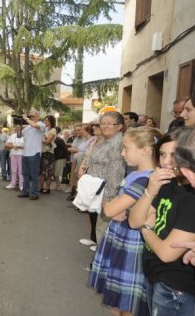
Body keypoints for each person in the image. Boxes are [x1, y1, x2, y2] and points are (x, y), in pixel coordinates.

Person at [88, 126, 161, 316]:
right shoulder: (138, 175)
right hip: (123, 236)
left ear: (145, 150)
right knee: (120, 297)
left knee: (127, 298)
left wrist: (111, 205)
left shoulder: (145, 179)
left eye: (126, 148)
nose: (122, 153)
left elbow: (111, 208)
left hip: (132, 241)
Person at [129, 128, 195, 315]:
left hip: (177, 287)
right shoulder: (167, 185)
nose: (166, 162)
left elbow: (167, 253)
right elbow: (134, 221)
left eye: (173, 155)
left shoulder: (191, 197)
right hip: (156, 276)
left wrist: (147, 229)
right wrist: (151, 189)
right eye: (162, 155)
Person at [79, 112, 126, 249]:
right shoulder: (106, 141)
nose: (104, 126)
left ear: (119, 126)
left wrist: (108, 199)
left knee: (104, 231)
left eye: (109, 123)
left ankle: (101, 267)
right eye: (102, 123)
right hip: (98, 192)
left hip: (107, 195)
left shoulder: (117, 144)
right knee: (100, 229)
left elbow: (115, 173)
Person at [19, 110, 46, 200]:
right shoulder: (27, 127)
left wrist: (26, 118)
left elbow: (35, 125)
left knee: (34, 175)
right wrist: (19, 124)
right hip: (25, 153)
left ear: (38, 116)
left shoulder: (41, 124)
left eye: (32, 116)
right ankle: (25, 191)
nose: (31, 118)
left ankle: (35, 193)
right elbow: (19, 135)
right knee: (25, 174)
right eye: (30, 116)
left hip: (34, 153)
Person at [39, 115, 57, 194]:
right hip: (42, 152)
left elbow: (47, 141)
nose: (45, 122)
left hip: (49, 153)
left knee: (48, 172)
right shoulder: (44, 129)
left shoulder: (53, 130)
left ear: (51, 121)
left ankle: (47, 187)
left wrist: (40, 139)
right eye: (44, 120)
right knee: (42, 171)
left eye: (47, 120)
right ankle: (40, 187)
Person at [6, 125, 24, 190]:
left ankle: (21, 184)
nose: (18, 129)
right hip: (13, 154)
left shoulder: (25, 136)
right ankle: (12, 184)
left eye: (20, 128)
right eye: (17, 128)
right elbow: (7, 144)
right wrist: (13, 146)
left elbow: (27, 145)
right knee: (13, 170)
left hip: (21, 154)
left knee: (21, 170)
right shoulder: (13, 135)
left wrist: (19, 146)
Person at [53, 126, 69, 191]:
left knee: (63, 173)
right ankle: (57, 186)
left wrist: (67, 158)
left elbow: (66, 149)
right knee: (56, 173)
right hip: (56, 157)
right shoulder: (54, 139)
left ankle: (68, 187)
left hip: (61, 157)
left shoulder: (59, 140)